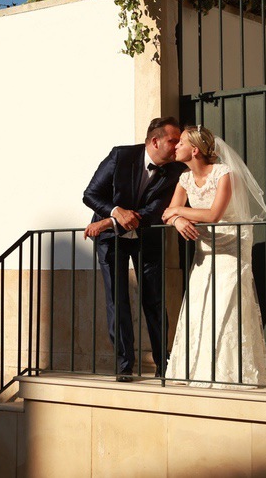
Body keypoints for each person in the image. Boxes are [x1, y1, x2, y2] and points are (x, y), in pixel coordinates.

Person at [161, 125, 266, 387]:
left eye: (181, 142)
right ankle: (196, 370)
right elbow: (167, 212)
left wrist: (178, 211)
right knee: (200, 302)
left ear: (195, 149)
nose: (175, 146)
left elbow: (213, 215)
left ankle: (229, 373)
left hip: (231, 245)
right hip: (205, 248)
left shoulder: (224, 174)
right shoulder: (185, 179)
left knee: (225, 305)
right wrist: (176, 220)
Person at [83, 117, 185, 382]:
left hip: (146, 237)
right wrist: (116, 213)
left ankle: (164, 365)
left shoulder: (175, 171)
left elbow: (155, 211)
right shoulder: (121, 156)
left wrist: (112, 220)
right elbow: (91, 194)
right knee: (117, 300)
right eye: (173, 140)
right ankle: (124, 365)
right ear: (155, 141)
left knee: (154, 300)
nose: (178, 146)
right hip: (110, 240)